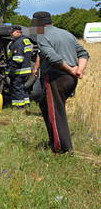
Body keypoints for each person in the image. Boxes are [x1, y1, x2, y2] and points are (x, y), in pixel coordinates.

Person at [31, 11, 90, 154]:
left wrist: (70, 70)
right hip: (70, 79)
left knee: (56, 113)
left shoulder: (42, 36)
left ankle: (62, 149)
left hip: (56, 78)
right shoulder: (66, 34)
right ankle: (54, 140)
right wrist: (79, 70)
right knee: (45, 105)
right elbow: (83, 53)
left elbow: (54, 58)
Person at [7, 25, 33, 107]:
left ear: (18, 32)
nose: (11, 34)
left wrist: (11, 70)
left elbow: (18, 58)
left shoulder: (18, 42)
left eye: (12, 33)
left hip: (19, 70)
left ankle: (19, 106)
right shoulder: (26, 40)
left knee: (17, 88)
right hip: (26, 69)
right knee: (22, 88)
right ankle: (26, 104)